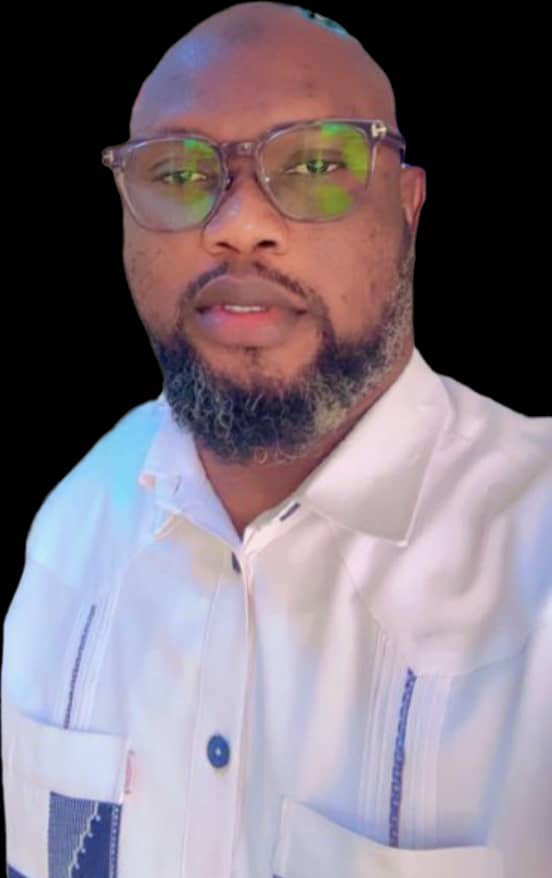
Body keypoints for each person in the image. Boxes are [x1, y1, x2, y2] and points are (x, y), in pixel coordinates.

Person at [2, 3, 550, 876]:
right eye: (178, 173)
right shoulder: (74, 529)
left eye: (318, 164)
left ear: (408, 206)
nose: (237, 222)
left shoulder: (538, 558)